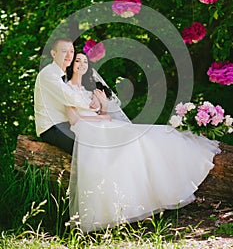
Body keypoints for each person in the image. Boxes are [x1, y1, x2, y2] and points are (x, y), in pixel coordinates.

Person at [66, 52, 221, 233]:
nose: (82, 64)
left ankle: (159, 192)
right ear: (71, 65)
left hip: (103, 125)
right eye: (78, 61)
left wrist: (104, 106)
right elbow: (73, 119)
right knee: (134, 142)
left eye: (85, 61)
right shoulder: (66, 88)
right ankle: (127, 207)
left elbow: (103, 114)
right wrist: (101, 118)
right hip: (87, 130)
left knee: (150, 135)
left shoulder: (91, 89)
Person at [34, 38, 101, 155]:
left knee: (102, 138)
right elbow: (70, 97)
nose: (69, 55)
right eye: (64, 51)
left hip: (66, 124)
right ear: (53, 54)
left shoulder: (63, 74)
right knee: (87, 146)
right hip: (52, 127)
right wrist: (92, 105)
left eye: (71, 51)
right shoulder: (49, 74)